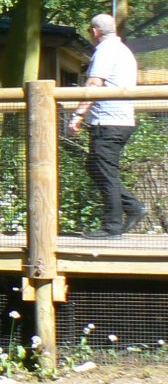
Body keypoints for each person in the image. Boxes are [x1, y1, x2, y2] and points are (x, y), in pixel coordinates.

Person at [67, 13, 145, 237]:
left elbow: (94, 84)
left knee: (105, 172)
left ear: (94, 32)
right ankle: (133, 207)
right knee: (95, 166)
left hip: (108, 123)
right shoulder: (124, 52)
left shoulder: (104, 51)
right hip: (122, 121)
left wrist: (78, 115)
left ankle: (112, 227)